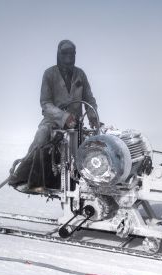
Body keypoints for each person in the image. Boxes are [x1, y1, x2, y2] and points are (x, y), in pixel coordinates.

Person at [9, 40, 98, 192]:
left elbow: (89, 99)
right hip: (53, 120)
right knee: (41, 137)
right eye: (65, 54)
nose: (69, 57)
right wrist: (63, 117)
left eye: (72, 54)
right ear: (59, 55)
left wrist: (93, 117)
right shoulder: (49, 74)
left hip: (76, 123)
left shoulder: (80, 74)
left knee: (91, 147)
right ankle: (25, 178)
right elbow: (45, 103)